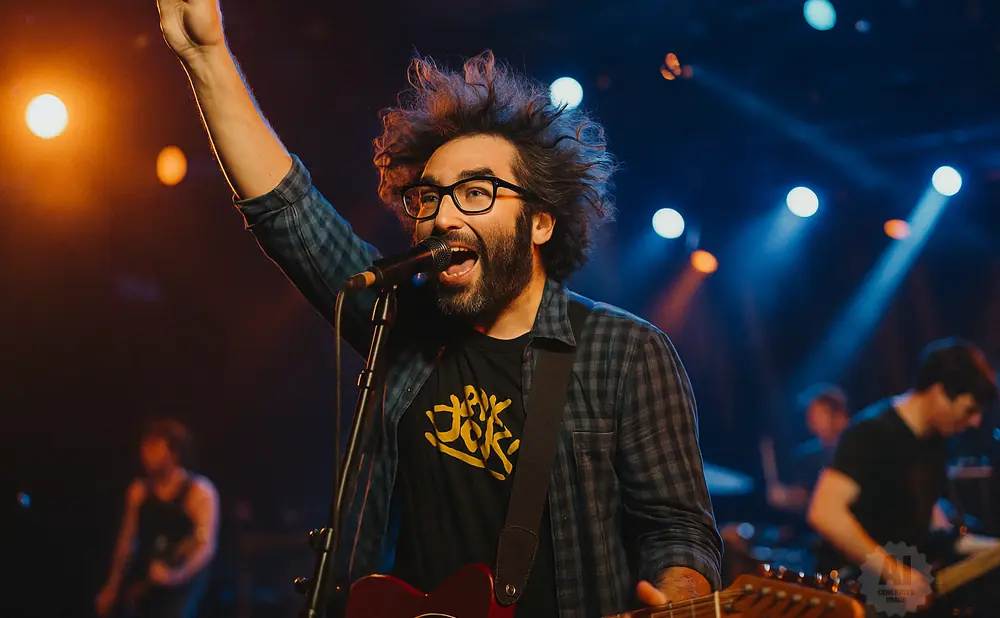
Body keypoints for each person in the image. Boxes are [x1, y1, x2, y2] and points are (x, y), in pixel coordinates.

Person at [153, 1, 723, 616]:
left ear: (539, 222)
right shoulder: (397, 319)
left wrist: (679, 593)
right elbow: (289, 212)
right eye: (429, 197)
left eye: (477, 193)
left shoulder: (626, 352)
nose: (444, 215)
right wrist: (206, 55)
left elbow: (678, 528)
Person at [807, 339, 999, 614]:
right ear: (939, 392)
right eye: (969, 410)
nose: (974, 422)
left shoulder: (933, 445)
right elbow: (824, 512)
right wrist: (895, 573)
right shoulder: (872, 432)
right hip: (854, 600)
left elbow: (935, 529)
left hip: (897, 602)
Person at [95, 419, 219, 618]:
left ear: (174, 453)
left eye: (154, 446)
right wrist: (112, 587)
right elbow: (127, 543)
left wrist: (177, 575)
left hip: (185, 577)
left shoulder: (199, 491)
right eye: (145, 445)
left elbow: (205, 546)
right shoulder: (138, 492)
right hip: (149, 577)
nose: (146, 453)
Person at [764, 384, 850, 513]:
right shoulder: (807, 457)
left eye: (819, 413)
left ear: (840, 417)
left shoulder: (855, 450)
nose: (812, 419)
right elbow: (804, 496)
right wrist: (785, 496)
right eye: (811, 414)